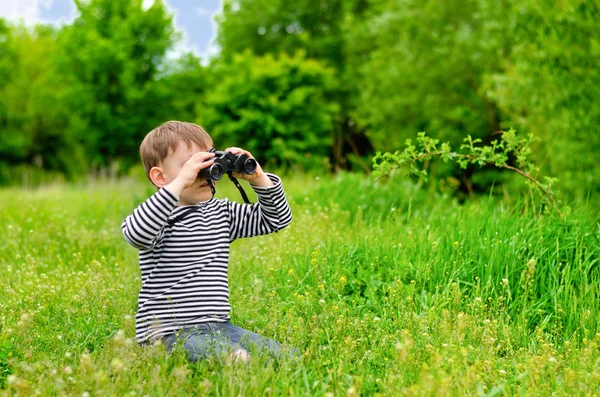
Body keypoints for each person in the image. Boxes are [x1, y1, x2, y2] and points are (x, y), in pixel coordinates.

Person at [121, 120, 293, 363]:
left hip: (220, 326)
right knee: (235, 358)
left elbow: (277, 219)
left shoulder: (221, 213)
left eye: (207, 160)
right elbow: (136, 234)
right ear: (160, 177)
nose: (203, 170)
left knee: (286, 356)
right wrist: (180, 183)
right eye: (190, 165)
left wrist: (258, 178)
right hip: (168, 333)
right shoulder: (159, 216)